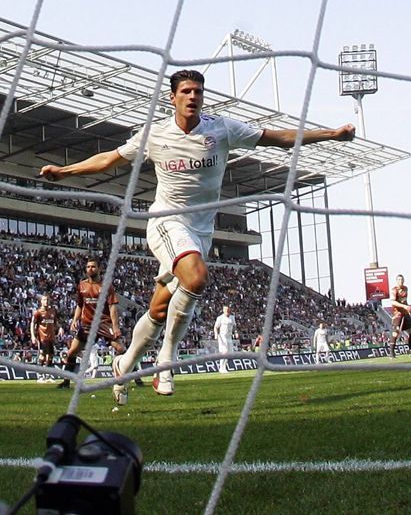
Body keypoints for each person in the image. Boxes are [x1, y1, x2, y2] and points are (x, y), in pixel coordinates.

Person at [39, 69, 355, 404]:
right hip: (166, 222)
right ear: (172, 97)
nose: (193, 97)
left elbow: (277, 138)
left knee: (159, 311)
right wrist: (64, 171)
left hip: (202, 230)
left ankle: (124, 363)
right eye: (186, 91)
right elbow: (111, 159)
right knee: (197, 276)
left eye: (198, 92)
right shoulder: (156, 133)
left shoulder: (221, 129)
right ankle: (166, 361)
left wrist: (331, 134)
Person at [58, 258, 125, 389]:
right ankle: (66, 382)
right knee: (72, 352)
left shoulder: (107, 285)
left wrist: (115, 326)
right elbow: (79, 305)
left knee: (121, 349)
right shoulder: (82, 285)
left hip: (104, 323)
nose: (90, 269)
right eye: (88, 267)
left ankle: (135, 378)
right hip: (87, 324)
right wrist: (74, 320)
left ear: (99, 269)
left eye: (93, 267)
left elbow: (112, 307)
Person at [30, 294, 61, 384]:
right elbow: (32, 323)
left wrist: (60, 328)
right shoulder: (38, 312)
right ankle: (40, 376)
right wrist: (33, 335)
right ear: (41, 301)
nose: (46, 301)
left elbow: (56, 322)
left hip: (51, 338)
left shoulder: (53, 311)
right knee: (42, 355)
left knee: (50, 356)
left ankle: (48, 376)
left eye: (47, 300)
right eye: (44, 300)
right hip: (42, 338)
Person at [389, 274, 411, 357]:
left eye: (402, 279)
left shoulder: (405, 288)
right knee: (395, 332)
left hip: (405, 312)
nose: (401, 281)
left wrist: (408, 309)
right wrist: (404, 306)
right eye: (399, 279)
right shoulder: (394, 290)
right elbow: (393, 302)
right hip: (397, 313)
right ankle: (392, 353)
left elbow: (404, 301)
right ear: (396, 281)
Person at [213, 305, 237, 374]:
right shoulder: (220, 318)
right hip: (222, 336)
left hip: (229, 336)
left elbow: (234, 326)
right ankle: (221, 368)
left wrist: (235, 332)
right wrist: (216, 334)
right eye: (225, 309)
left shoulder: (232, 317)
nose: (227, 310)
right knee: (224, 352)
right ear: (223, 310)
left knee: (229, 353)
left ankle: (224, 367)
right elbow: (216, 327)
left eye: (228, 309)